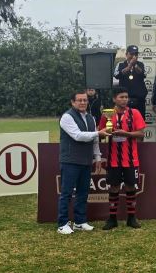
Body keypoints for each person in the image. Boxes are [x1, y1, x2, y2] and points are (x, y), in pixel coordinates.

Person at [58, 91, 110, 235]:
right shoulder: (67, 117)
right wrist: (98, 133)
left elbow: (94, 140)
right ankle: (62, 223)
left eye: (85, 100)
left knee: (83, 193)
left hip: (86, 161)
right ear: (72, 102)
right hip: (70, 160)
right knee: (67, 193)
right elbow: (77, 136)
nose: (82, 103)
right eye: (79, 100)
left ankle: (79, 222)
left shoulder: (91, 118)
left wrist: (98, 157)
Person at [99, 87, 146, 230]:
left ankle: (131, 218)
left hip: (131, 159)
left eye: (126, 97)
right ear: (114, 99)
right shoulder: (106, 115)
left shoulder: (135, 113)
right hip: (113, 159)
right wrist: (106, 133)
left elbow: (142, 134)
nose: (125, 99)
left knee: (130, 186)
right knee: (113, 187)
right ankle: (112, 218)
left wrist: (127, 134)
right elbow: (99, 135)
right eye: (121, 97)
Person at [113, 45, 148, 121]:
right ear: (126, 54)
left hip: (139, 99)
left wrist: (135, 65)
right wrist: (129, 66)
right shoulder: (120, 64)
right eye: (131, 54)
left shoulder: (141, 64)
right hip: (125, 99)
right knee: (125, 120)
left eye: (136, 54)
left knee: (139, 121)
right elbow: (116, 75)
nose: (133, 56)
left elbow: (143, 74)